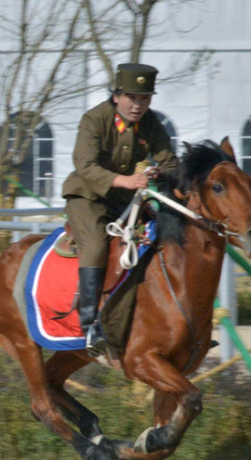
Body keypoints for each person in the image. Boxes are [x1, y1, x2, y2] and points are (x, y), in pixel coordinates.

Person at [61, 63, 177, 355]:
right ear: (116, 96)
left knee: (155, 238)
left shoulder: (150, 123)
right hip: (86, 196)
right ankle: (89, 328)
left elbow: (170, 162)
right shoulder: (93, 119)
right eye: (132, 98)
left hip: (123, 199)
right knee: (98, 246)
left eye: (144, 99)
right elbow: (84, 166)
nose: (138, 106)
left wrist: (157, 173)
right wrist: (126, 180)